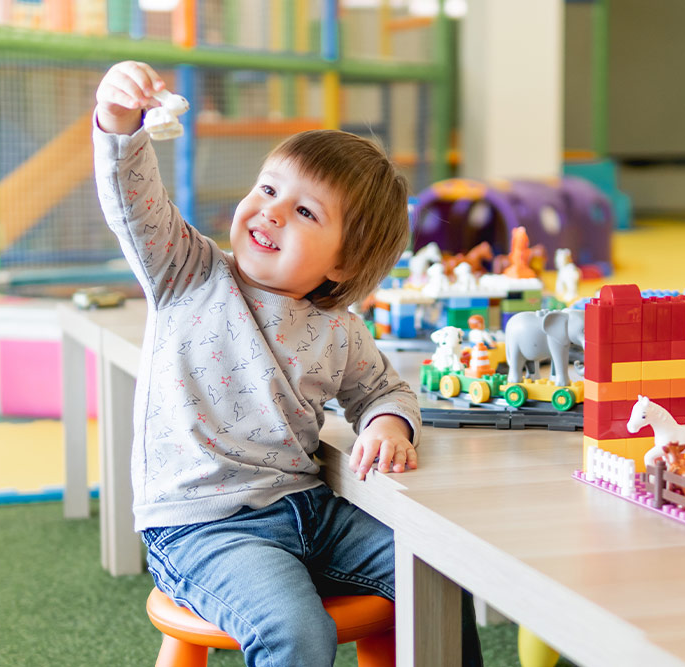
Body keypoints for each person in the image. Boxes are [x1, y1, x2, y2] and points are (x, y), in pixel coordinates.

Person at [93, 61, 482, 666]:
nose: (271, 212)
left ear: (344, 264)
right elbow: (133, 202)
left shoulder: (339, 329)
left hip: (310, 510)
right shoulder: (188, 272)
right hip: (202, 526)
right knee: (295, 631)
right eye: (269, 189)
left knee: (435, 568)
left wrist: (387, 423)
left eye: (306, 213)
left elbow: (385, 390)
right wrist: (120, 122)